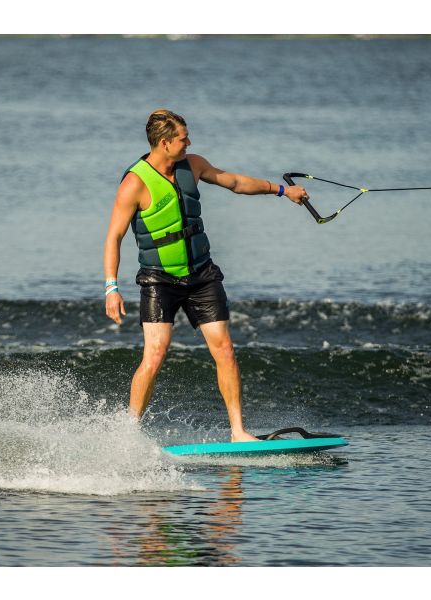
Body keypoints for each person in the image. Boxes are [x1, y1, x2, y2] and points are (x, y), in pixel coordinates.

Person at [103, 109, 308, 442]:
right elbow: (113, 237)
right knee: (155, 355)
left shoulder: (193, 164)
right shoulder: (135, 183)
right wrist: (111, 288)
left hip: (202, 274)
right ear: (165, 142)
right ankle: (128, 434)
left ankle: (238, 432)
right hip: (159, 279)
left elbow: (236, 182)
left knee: (225, 349)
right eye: (183, 138)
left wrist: (283, 192)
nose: (189, 142)